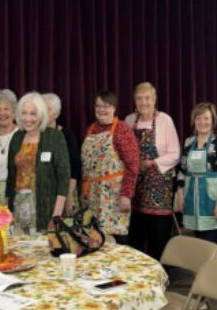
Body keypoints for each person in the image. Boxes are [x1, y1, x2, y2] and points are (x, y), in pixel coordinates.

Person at [124, 82, 180, 259]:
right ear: (134, 100)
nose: (143, 102)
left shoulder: (165, 120)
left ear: (154, 99)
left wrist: (152, 163)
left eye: (147, 98)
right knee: (135, 238)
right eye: (139, 98)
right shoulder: (129, 120)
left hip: (159, 191)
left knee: (159, 239)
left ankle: (161, 277)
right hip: (135, 191)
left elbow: (175, 153)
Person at [4, 93, 70, 234]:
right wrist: (6, 212)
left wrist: (57, 213)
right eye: (24, 113)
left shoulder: (54, 137)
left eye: (33, 114)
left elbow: (64, 178)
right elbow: (11, 179)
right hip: (19, 206)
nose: (28, 119)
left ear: (41, 114)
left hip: (46, 208)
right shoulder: (17, 137)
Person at [175, 102, 217, 256]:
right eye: (198, 118)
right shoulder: (188, 142)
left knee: (210, 246)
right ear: (194, 121)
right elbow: (181, 171)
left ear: (213, 120)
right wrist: (180, 196)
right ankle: (199, 276)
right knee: (197, 247)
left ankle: (210, 276)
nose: (202, 122)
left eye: (206, 118)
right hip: (191, 201)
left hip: (211, 201)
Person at [81, 90, 139, 240]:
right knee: (94, 239)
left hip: (114, 197)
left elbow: (132, 165)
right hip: (92, 196)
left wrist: (126, 195)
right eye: (98, 106)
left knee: (115, 240)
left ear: (114, 108)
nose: (101, 110)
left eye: (106, 106)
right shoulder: (91, 129)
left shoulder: (122, 129)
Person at [42, 93, 81, 213]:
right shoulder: (32, 135)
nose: (42, 112)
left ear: (56, 114)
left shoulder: (67, 135)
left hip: (65, 193)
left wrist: (68, 196)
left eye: (47, 109)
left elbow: (75, 167)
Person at [0, 89, 19, 197]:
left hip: (18, 192)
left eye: (6, 109)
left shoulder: (23, 136)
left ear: (14, 112)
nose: (2, 113)